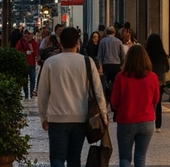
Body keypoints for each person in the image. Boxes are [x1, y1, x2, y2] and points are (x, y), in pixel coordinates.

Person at [37, 27, 108, 167]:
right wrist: (104, 116)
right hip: (80, 118)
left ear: (60, 42)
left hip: (57, 118)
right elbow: (98, 92)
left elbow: (42, 93)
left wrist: (43, 116)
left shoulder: (50, 63)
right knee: (74, 158)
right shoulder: (87, 62)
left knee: (57, 157)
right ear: (77, 42)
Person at [110, 45, 160, 167]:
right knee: (141, 158)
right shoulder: (152, 77)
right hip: (147, 121)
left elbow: (114, 101)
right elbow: (156, 99)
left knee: (125, 157)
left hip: (126, 121)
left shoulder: (120, 77)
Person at [145, 34, 170, 132]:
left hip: (148, 80)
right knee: (158, 103)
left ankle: (149, 121)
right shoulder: (162, 54)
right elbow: (167, 68)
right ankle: (158, 125)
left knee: (149, 101)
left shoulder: (146, 54)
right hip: (160, 81)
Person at [98, 26, 126, 103]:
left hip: (106, 65)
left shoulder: (102, 41)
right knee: (116, 84)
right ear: (114, 32)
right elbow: (122, 55)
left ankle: (106, 99)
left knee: (105, 84)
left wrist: (100, 67)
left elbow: (100, 55)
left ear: (107, 32)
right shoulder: (118, 42)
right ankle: (115, 99)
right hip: (116, 65)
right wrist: (122, 64)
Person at [15, 29, 39, 98]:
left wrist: (32, 50)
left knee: (33, 79)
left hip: (32, 63)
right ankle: (26, 94)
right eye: (25, 34)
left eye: (28, 34)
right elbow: (17, 51)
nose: (26, 35)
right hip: (24, 63)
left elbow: (35, 52)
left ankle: (31, 93)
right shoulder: (20, 42)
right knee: (24, 80)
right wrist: (24, 53)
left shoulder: (33, 42)